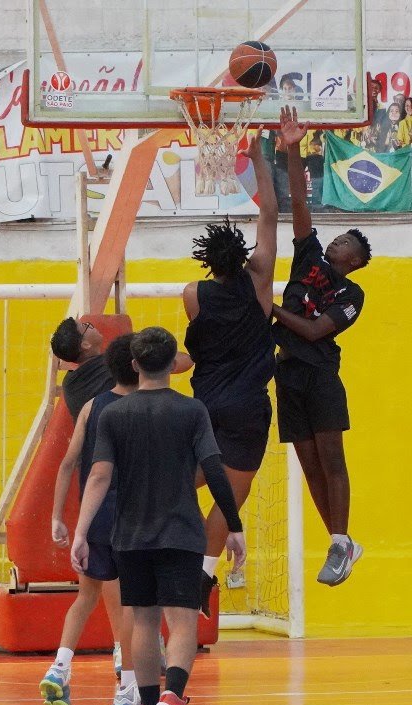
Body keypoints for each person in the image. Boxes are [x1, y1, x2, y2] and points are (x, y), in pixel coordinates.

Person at [71, 327, 246, 705]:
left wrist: (80, 531)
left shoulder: (111, 415)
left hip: (129, 536)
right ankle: (174, 697)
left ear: (134, 364)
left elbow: (98, 475)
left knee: (145, 621)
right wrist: (234, 526)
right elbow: (215, 469)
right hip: (181, 532)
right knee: (181, 620)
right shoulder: (192, 411)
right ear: (173, 365)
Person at [272, 106, 371, 586]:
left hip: (320, 376)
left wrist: (270, 310)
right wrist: (292, 149)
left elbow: (313, 332)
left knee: (332, 459)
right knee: (308, 464)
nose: (334, 243)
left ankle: (341, 538)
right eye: (336, 239)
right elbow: (298, 201)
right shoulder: (307, 255)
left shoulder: (352, 294)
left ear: (353, 260)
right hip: (286, 374)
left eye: (344, 243)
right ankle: (339, 543)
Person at [182, 133, 277, 616]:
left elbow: (193, 352)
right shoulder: (259, 279)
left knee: (184, 479)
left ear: (206, 260)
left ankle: (155, 505)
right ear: (241, 256)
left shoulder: (193, 293)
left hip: (204, 405)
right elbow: (269, 214)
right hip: (247, 407)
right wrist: (259, 158)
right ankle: (199, 579)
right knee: (228, 500)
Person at [39, 334, 140, 705]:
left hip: (90, 514)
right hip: (127, 515)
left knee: (86, 596)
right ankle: (127, 683)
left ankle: (59, 667)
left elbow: (67, 463)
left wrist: (56, 518)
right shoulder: (145, 407)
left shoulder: (89, 405)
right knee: (130, 604)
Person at [51, 318, 192, 421]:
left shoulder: (69, 383)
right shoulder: (116, 362)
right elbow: (184, 362)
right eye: (86, 326)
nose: (91, 325)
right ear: (86, 344)